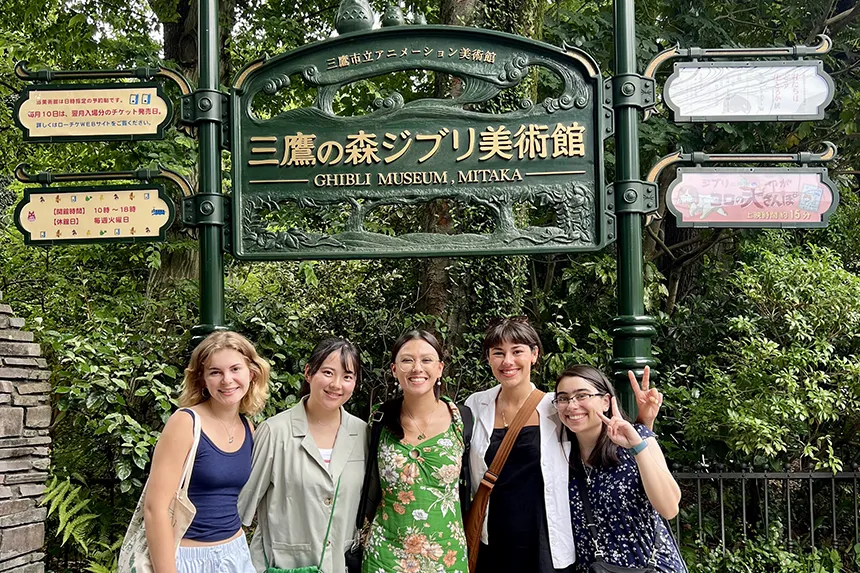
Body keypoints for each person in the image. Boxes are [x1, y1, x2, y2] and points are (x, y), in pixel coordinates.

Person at [465, 317, 661, 573]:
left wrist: (644, 421)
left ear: (534, 355)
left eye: (517, 351)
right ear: (489, 358)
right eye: (498, 353)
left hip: (545, 538)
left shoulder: (556, 406)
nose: (508, 361)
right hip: (492, 536)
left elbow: (603, 439)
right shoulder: (474, 405)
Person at [143, 330, 270, 573]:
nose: (227, 380)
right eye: (215, 372)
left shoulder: (247, 427)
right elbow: (155, 508)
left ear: (251, 373)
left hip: (236, 554)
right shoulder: (185, 423)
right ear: (202, 379)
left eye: (235, 369)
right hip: (189, 558)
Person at [238, 337, 368, 573]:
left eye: (347, 377)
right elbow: (239, 509)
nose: (336, 384)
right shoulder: (275, 432)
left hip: (340, 565)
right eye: (328, 373)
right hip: (282, 566)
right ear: (308, 373)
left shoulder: (362, 434)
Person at [556, 365, 686, 572]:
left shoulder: (637, 437)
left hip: (649, 567)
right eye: (563, 398)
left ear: (606, 401)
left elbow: (669, 508)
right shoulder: (560, 457)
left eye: (582, 396)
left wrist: (637, 446)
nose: (572, 405)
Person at [360, 330, 471, 573]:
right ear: (394, 369)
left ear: (440, 368)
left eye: (426, 360)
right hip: (385, 554)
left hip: (446, 554)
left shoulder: (461, 418)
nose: (416, 368)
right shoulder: (379, 419)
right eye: (407, 360)